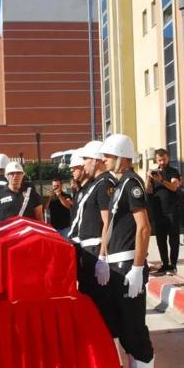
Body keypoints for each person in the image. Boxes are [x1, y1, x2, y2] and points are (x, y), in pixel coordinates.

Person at [99, 133, 156, 368]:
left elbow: (144, 227)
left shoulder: (132, 183)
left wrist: (137, 267)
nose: (105, 160)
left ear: (122, 157)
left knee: (133, 324)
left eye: (109, 156)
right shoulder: (119, 184)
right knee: (123, 323)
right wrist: (104, 257)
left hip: (129, 261)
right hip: (117, 262)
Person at [69, 142, 117, 337]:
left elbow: (108, 222)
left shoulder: (105, 183)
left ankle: (110, 353)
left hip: (95, 250)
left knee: (102, 306)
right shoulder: (93, 184)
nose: (83, 164)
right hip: (85, 250)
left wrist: (103, 257)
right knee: (90, 301)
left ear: (96, 161)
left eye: (86, 159)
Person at [145, 148, 181, 275]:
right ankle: (165, 264)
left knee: (173, 240)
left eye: (164, 159)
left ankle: (173, 265)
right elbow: (148, 190)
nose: (162, 162)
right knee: (161, 240)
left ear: (168, 158)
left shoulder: (173, 171)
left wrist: (161, 180)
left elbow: (174, 186)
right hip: (158, 211)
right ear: (156, 160)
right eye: (160, 160)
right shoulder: (153, 173)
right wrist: (149, 178)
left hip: (172, 211)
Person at [0, 162, 43, 229]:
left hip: (28, 236)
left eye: (18, 173)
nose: (15, 176)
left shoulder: (33, 195)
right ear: (6, 176)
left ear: (23, 175)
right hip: (7, 235)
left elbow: (40, 220)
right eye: (12, 173)